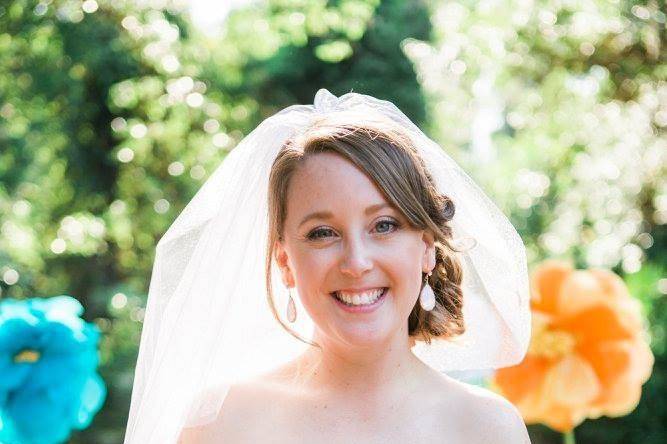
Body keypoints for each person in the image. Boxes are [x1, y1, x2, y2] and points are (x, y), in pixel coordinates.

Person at [124, 89, 532, 443]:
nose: (356, 262)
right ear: (284, 261)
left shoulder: (488, 429)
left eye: (384, 226)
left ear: (427, 247)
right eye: (322, 233)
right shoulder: (220, 426)